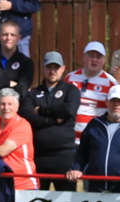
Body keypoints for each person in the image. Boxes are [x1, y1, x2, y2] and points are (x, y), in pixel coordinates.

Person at [19, 51, 80, 191]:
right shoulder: (33, 93)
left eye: (56, 67)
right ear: (43, 68)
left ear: (63, 69)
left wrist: (41, 110)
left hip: (64, 155)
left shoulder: (71, 91)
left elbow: (69, 110)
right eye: (49, 67)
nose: (52, 71)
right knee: (36, 201)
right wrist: (54, 120)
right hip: (39, 155)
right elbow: (26, 114)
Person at [64, 41, 118, 145]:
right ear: (84, 58)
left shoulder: (111, 83)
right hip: (71, 140)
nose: (94, 59)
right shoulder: (70, 78)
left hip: (96, 140)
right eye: (91, 56)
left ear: (104, 60)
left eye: (98, 57)